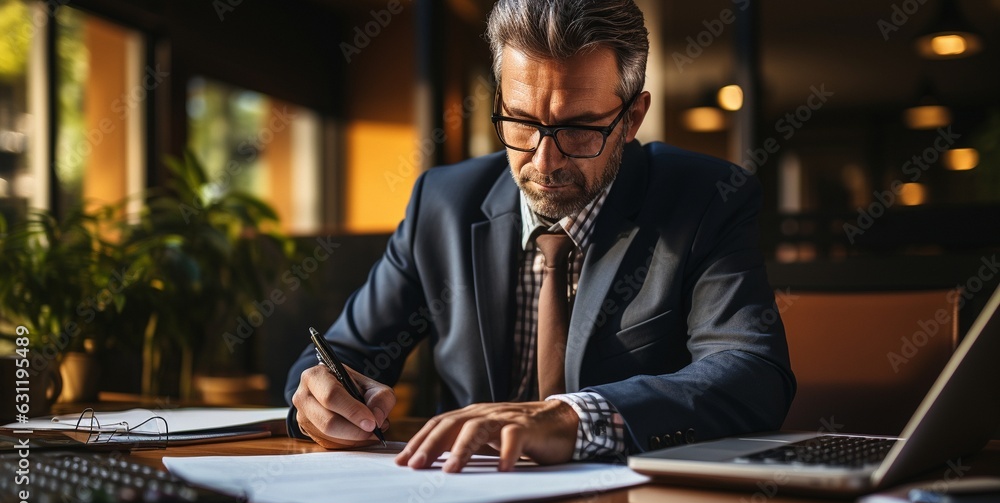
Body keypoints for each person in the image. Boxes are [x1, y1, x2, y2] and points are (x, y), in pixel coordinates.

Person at [286, 0, 795, 473]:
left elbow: (752, 374)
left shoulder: (706, 199)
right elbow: (336, 356)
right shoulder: (442, 204)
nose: (543, 162)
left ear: (631, 119)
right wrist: (322, 399)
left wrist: (577, 418)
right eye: (523, 122)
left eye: (578, 129)